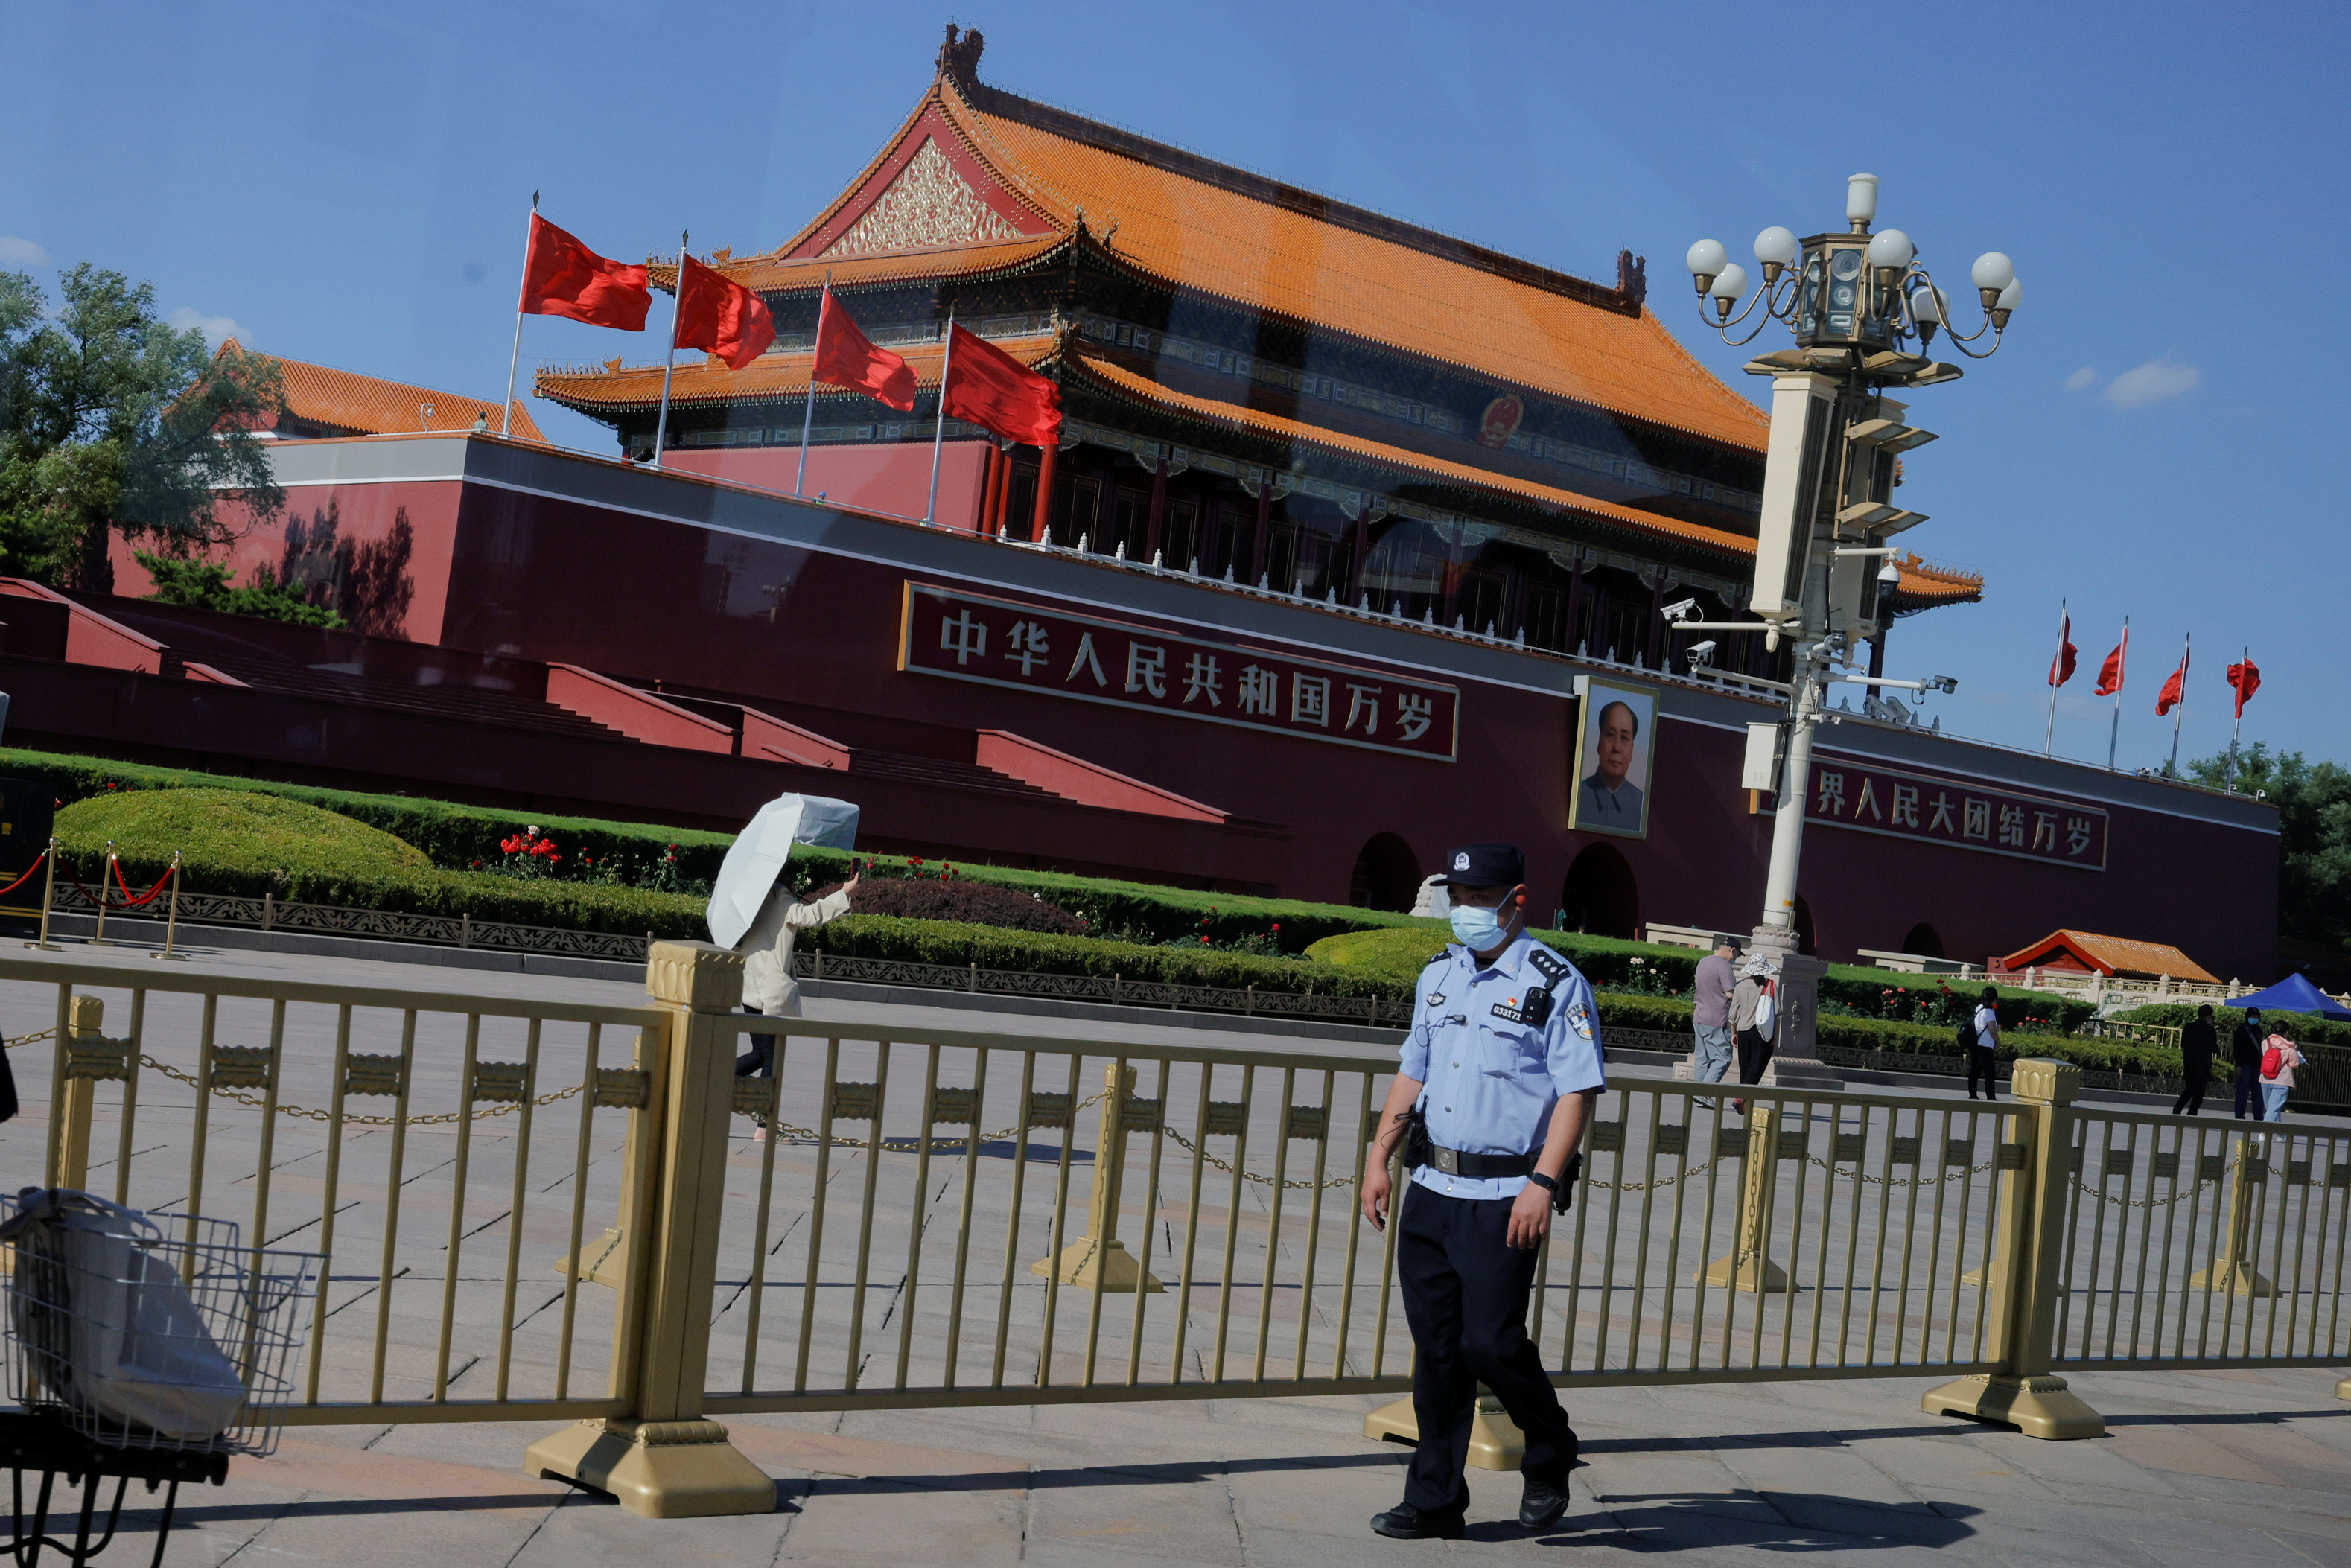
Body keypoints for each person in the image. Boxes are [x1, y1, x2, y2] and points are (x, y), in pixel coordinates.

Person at [1359, 842, 1602, 1540]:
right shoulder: (1439, 974)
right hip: (1431, 1186)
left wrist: (1542, 1183)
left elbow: (1576, 1092)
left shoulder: (1554, 982)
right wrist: (1379, 1157)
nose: (1466, 911)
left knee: (1490, 1344)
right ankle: (1433, 1500)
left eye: (1479, 899)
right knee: (1435, 1351)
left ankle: (1549, 1443)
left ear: (1515, 899)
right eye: (1457, 899)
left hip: (1505, 1194)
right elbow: (1414, 1072)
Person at [730, 867, 861, 1087]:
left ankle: (719, 1077)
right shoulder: (780, 896)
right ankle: (763, 1118)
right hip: (768, 991)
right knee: (771, 1057)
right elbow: (808, 916)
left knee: (760, 1053)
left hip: (750, 985)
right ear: (786, 879)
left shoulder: (756, 896)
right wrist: (844, 892)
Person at [1577, 700, 1645, 829]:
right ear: (1599, 743)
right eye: (1610, 735)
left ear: (1632, 750)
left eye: (1624, 738)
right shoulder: (1577, 797)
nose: (1616, 748)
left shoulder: (1642, 805)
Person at [1690, 938, 1737, 1089]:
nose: (1734, 958)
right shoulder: (1725, 966)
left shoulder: (1703, 962)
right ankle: (1704, 1093)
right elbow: (1730, 993)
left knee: (1702, 1058)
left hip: (1699, 1016)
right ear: (1733, 950)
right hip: (1717, 1020)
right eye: (1735, 955)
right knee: (1723, 1058)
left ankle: (1697, 1092)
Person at [1730, 954, 1775, 1097]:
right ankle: (1742, 1098)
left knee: (1745, 1066)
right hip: (1762, 1033)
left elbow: (1733, 1015)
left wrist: (1734, 1033)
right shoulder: (1770, 986)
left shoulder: (1740, 986)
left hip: (1743, 1031)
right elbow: (1777, 1013)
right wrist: (1775, 1035)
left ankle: (1743, 1098)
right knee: (1757, 1067)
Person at [2172, 1004, 2217, 1115]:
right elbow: (2213, 1047)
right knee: (2199, 1091)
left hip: (2189, 1062)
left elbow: (2183, 1044)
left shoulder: (2189, 1027)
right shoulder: (2209, 1030)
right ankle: (2192, 1113)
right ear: (2208, 1016)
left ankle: (2178, 1107)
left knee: (2190, 1087)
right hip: (2202, 1064)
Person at [2257, 1028, 2305, 1123]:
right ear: (2286, 1032)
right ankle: (2264, 1133)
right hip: (2282, 1082)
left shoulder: (2265, 1043)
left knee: (2272, 1109)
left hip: (2265, 1079)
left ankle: (2280, 1135)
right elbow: (2294, 1065)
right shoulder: (2290, 1048)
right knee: (2274, 1109)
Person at [2230, 1007, 2266, 1119]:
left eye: (2256, 1017)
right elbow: (2237, 1048)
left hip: (2257, 1065)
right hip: (2245, 1064)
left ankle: (2258, 1116)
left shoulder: (2259, 1030)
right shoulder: (2241, 1029)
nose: (2254, 1019)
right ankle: (2239, 1115)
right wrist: (2238, 1065)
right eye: (2252, 1017)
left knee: (2258, 1093)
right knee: (2242, 1092)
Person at [1967, 987, 2002, 1101]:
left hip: (1975, 1043)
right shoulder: (1989, 1012)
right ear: (1994, 999)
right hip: (1985, 1046)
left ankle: (1973, 1094)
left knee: (1975, 1071)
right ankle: (1991, 1097)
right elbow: (1992, 1030)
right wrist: (1997, 1040)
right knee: (1989, 1073)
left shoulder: (1979, 1008)